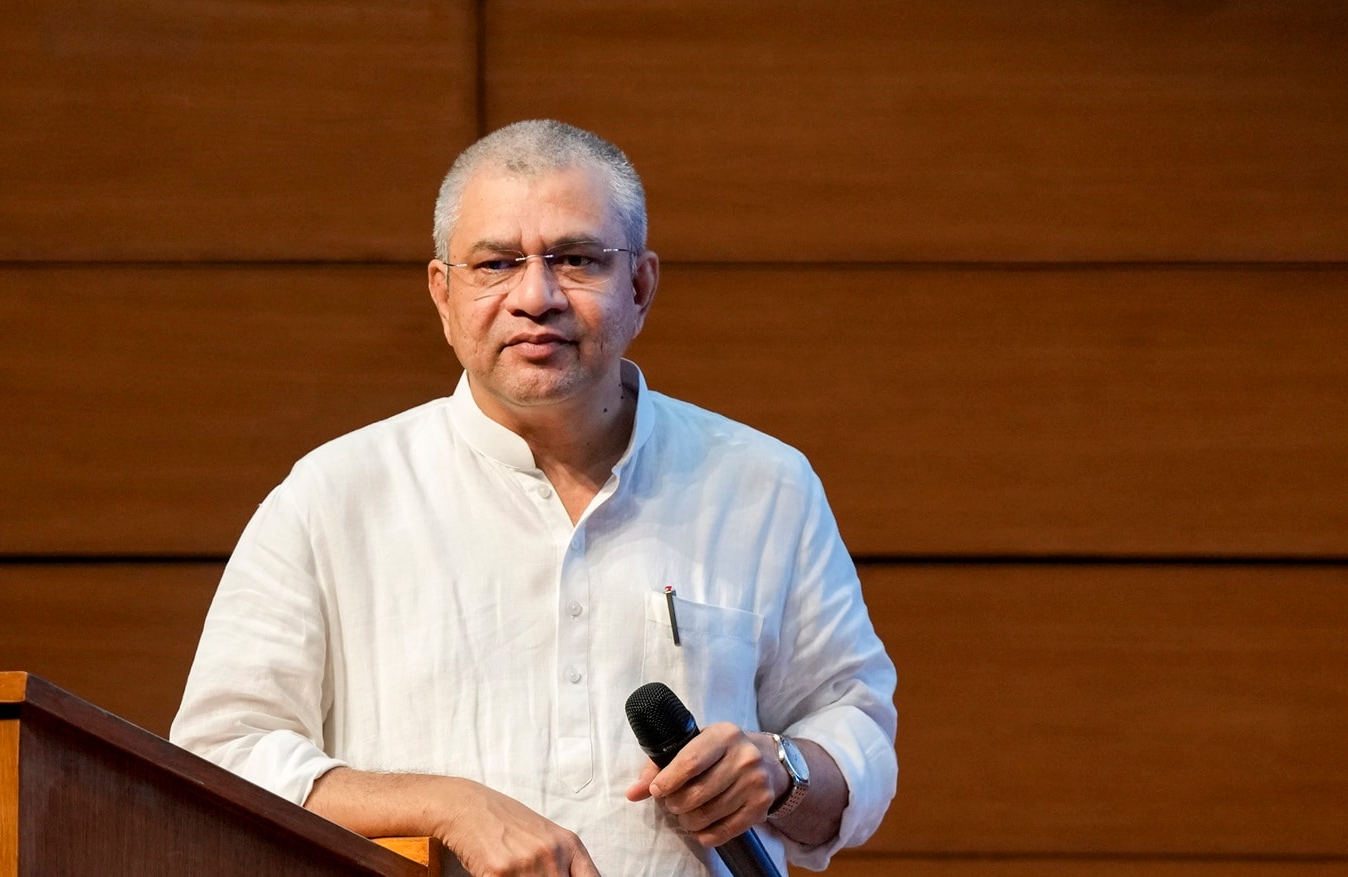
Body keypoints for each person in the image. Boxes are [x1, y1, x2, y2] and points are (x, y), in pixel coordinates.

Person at [171, 119, 897, 877]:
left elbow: (860, 737)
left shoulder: (762, 484)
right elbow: (220, 758)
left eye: (576, 259)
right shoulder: (333, 496)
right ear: (443, 293)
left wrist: (782, 770)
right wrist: (445, 805)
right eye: (496, 264)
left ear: (640, 286)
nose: (535, 296)